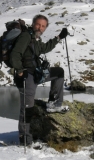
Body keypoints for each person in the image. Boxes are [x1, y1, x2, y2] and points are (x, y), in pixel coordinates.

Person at [9, 14, 69, 145]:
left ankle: (54, 103)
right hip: (26, 76)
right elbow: (15, 54)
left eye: (43, 26)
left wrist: (59, 37)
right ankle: (25, 139)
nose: (40, 27)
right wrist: (19, 71)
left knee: (59, 73)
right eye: (38, 24)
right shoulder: (26, 36)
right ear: (33, 23)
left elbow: (45, 48)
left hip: (35, 74)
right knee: (27, 109)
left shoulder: (35, 38)